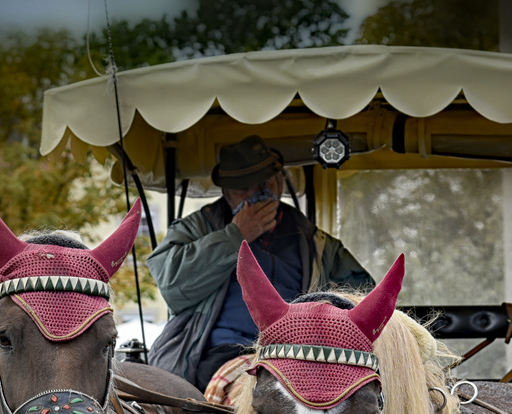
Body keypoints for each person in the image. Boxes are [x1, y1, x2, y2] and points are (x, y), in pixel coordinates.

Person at [147, 135, 373, 390]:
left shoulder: (314, 241)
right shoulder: (197, 228)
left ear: (278, 183)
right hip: (218, 354)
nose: (255, 194)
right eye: (243, 188)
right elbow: (172, 286)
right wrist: (236, 236)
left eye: (264, 184)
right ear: (226, 192)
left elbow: (363, 297)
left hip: (295, 354)